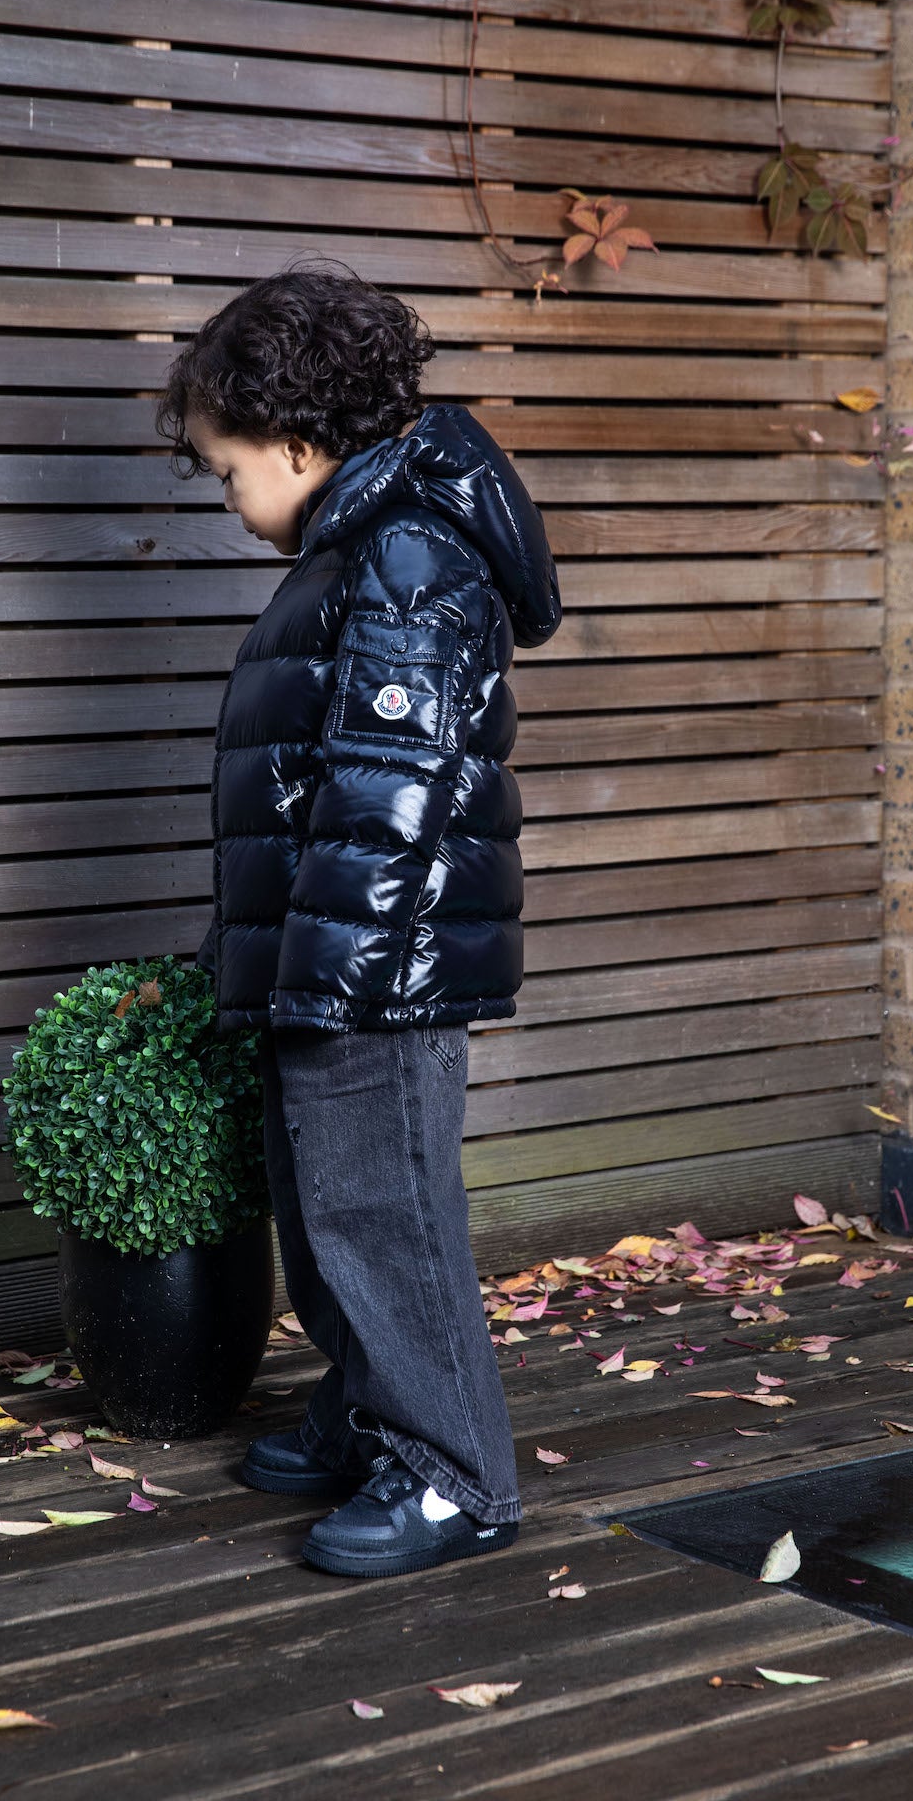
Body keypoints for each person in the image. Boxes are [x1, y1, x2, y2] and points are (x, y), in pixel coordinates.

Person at [156, 263, 563, 1579]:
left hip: (374, 969)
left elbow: (396, 792)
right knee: (328, 1212)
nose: (229, 502)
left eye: (227, 475)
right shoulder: (360, 544)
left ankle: (452, 1474)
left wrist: (341, 977)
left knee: (381, 1214)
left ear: (292, 442)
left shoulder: (402, 555)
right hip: (329, 955)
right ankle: (370, 1403)